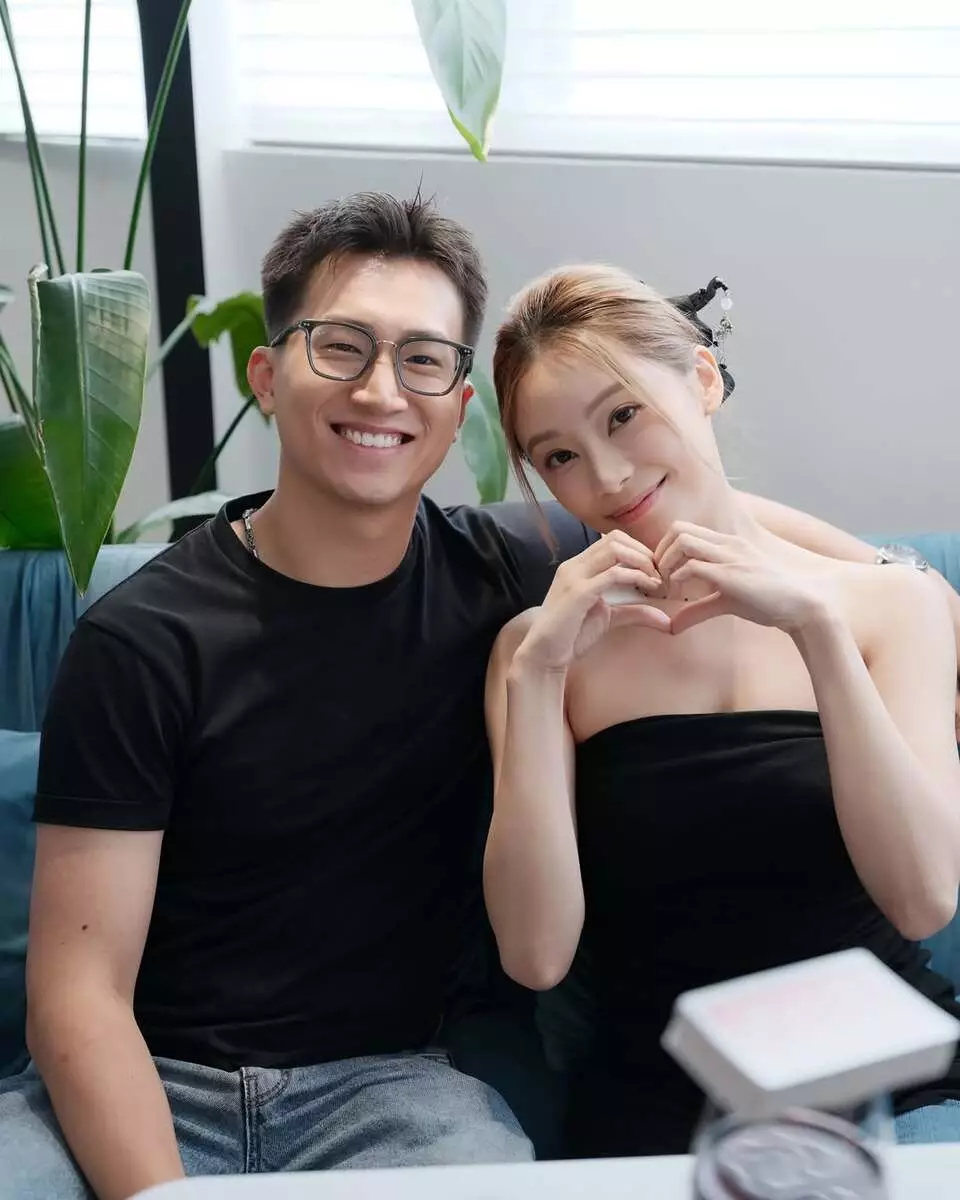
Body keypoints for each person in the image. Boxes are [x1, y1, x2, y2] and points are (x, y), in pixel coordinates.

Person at [0, 194, 952, 1200]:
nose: (380, 392)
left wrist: (894, 588)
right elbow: (78, 999)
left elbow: (674, 496)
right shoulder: (145, 639)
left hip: (391, 1096)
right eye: (340, 349)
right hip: (158, 1079)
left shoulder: (501, 568)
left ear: (455, 411)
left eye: (420, 359)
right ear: (267, 377)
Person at [482, 262, 960, 1158]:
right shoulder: (536, 652)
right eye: (559, 458)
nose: (609, 477)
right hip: (661, 1102)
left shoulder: (888, 606)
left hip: (894, 1083)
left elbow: (924, 899)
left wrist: (816, 631)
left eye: (623, 415)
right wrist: (540, 672)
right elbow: (536, 956)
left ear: (703, 379)